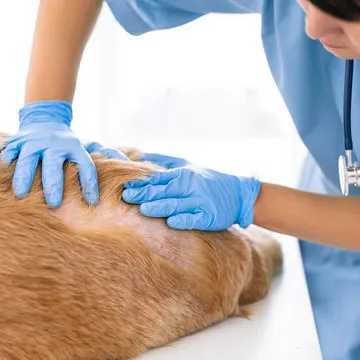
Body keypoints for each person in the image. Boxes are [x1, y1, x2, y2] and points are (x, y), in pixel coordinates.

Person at [2, 0, 360, 358]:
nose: (312, 28)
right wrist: (45, 109)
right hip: (324, 227)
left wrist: (252, 200)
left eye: (352, 12)